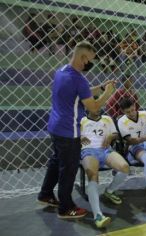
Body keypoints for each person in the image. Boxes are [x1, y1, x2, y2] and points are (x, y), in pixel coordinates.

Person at [37, 41, 116, 219]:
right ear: (82, 58)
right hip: (69, 131)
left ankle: (46, 194)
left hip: (55, 127)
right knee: (69, 169)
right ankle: (66, 208)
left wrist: (101, 87)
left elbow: (83, 92)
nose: (91, 64)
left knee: (57, 161)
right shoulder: (78, 79)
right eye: (90, 60)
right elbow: (94, 107)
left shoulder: (62, 71)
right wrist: (108, 92)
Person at [80, 109, 129, 228]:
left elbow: (115, 134)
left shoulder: (107, 118)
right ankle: (98, 216)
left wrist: (111, 136)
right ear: (89, 107)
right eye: (95, 106)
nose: (98, 108)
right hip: (88, 150)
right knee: (93, 175)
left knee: (125, 167)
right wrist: (79, 138)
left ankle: (109, 191)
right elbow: (73, 135)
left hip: (106, 150)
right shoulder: (82, 120)